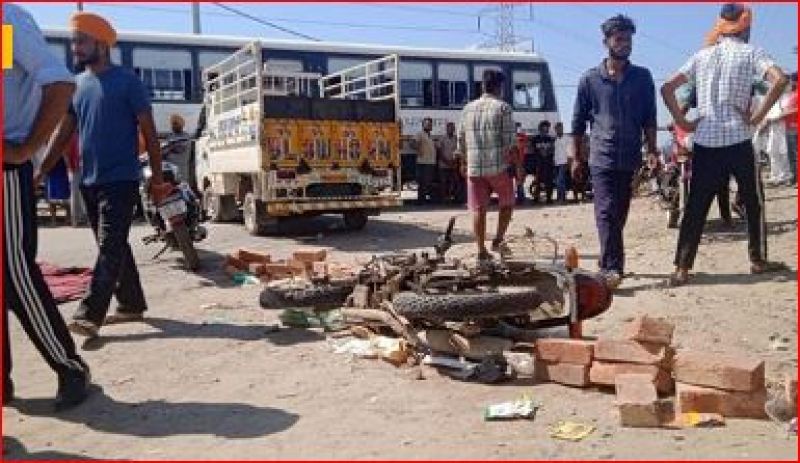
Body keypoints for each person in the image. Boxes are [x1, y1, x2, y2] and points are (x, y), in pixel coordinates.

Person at [37, 11, 170, 338]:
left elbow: (150, 134)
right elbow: (64, 131)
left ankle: (89, 314)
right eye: (74, 42)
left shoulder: (128, 81)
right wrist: (40, 172)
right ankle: (131, 304)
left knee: (109, 248)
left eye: (81, 41)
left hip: (121, 180)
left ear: (101, 43)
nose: (75, 49)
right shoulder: (77, 84)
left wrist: (157, 181)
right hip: (89, 182)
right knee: (115, 247)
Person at [2, 2, 91, 410]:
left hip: (5, 167)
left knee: (16, 274)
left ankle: (69, 366)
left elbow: (59, 83)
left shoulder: (6, 21)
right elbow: (10, 79)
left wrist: (24, 151)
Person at [661, 3, 789, 286]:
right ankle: (757, 260)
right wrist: (756, 117)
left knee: (695, 205)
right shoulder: (751, 52)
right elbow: (780, 80)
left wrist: (683, 122)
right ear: (745, 25)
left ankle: (682, 268)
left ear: (721, 25)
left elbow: (667, 88)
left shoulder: (701, 56)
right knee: (753, 202)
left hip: (706, 140)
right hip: (738, 138)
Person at [572, 14, 659, 289]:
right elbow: (577, 123)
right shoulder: (589, 80)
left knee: (619, 213)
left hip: (630, 156)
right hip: (601, 157)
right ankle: (613, 269)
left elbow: (649, 119)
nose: (625, 44)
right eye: (619, 39)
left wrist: (653, 150)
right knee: (606, 211)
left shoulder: (642, 78)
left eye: (628, 39)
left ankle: (607, 257)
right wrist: (576, 157)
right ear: (606, 42)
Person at [458, 69, 521, 263]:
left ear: (483, 85)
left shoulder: (467, 109)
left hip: (475, 169)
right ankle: (498, 240)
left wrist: (463, 162)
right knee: (507, 203)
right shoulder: (503, 108)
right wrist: (518, 167)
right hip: (499, 168)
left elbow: (461, 139)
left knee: (478, 209)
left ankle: (480, 250)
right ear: (499, 87)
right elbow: (511, 143)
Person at [412, 117, 437, 205]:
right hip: (423, 162)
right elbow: (413, 143)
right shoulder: (420, 134)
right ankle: (420, 201)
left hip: (430, 162)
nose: (429, 125)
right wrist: (418, 150)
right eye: (427, 124)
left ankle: (423, 199)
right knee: (423, 182)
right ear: (423, 125)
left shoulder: (430, 135)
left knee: (428, 182)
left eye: (430, 124)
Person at [162, 114, 193, 185]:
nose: (173, 126)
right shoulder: (170, 136)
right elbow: (164, 150)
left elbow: (179, 149)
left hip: (181, 170)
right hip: (169, 170)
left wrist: (169, 148)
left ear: (181, 125)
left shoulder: (186, 137)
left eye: (175, 123)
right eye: (172, 124)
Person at [530, 120, 556, 204]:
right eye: (544, 126)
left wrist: (548, 153)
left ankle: (549, 198)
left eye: (547, 127)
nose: (546, 128)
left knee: (549, 181)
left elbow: (553, 150)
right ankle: (536, 198)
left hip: (548, 164)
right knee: (537, 181)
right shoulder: (535, 139)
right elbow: (532, 150)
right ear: (540, 128)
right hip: (538, 163)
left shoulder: (550, 139)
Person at [780, 73, 797, 184]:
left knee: (795, 155)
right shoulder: (791, 95)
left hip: (795, 128)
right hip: (789, 128)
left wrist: (784, 113)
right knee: (791, 155)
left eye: (792, 80)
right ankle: (794, 177)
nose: (790, 83)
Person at [437, 121, 459, 203]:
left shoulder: (456, 139)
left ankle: (451, 198)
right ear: (446, 129)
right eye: (449, 128)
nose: (451, 129)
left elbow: (458, 150)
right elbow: (439, 151)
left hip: (453, 165)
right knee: (443, 183)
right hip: (443, 165)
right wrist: (446, 161)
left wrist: (454, 161)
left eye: (452, 128)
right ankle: (443, 199)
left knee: (453, 182)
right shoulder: (442, 138)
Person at [553, 122, 571, 203]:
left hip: (564, 162)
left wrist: (569, 162)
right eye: (556, 128)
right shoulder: (556, 139)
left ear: (562, 128)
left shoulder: (567, 138)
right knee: (557, 181)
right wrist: (554, 161)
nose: (558, 130)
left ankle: (562, 198)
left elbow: (569, 151)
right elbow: (556, 152)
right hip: (557, 163)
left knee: (560, 180)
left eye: (559, 128)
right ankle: (559, 197)